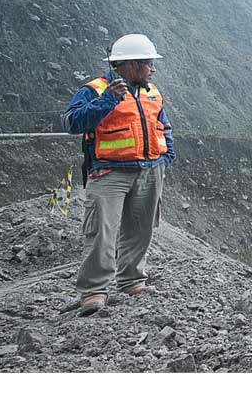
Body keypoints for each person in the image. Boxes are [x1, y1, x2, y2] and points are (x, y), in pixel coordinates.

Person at [63, 33, 175, 315]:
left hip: (149, 169)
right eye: (148, 63)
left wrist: (166, 156)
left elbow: (163, 124)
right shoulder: (96, 89)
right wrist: (107, 101)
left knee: (140, 229)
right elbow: (72, 122)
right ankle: (93, 291)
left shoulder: (151, 91)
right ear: (131, 65)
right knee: (102, 231)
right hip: (109, 172)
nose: (152, 69)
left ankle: (132, 281)